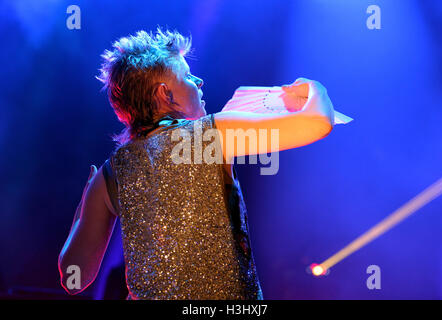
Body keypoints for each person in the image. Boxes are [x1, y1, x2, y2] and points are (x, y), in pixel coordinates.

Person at [58, 29, 335, 300]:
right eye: (188, 76)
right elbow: (319, 122)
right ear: (165, 94)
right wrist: (314, 88)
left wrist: (84, 209)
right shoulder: (211, 134)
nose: (199, 81)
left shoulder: (109, 174)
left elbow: (75, 278)